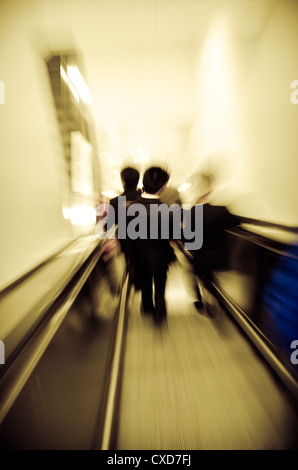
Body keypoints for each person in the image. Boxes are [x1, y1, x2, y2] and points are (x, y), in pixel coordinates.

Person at [126, 166, 176, 325]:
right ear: (163, 187)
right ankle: (160, 314)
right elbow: (172, 236)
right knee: (160, 285)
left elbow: (126, 237)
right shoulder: (167, 211)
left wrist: (129, 257)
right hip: (160, 256)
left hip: (139, 256)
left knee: (145, 282)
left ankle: (147, 307)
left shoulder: (130, 209)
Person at [188, 173, 240, 309]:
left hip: (200, 257)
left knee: (199, 276)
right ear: (210, 190)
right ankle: (216, 300)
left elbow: (188, 240)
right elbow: (236, 223)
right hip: (220, 256)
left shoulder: (191, 213)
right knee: (214, 280)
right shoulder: (222, 210)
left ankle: (202, 301)